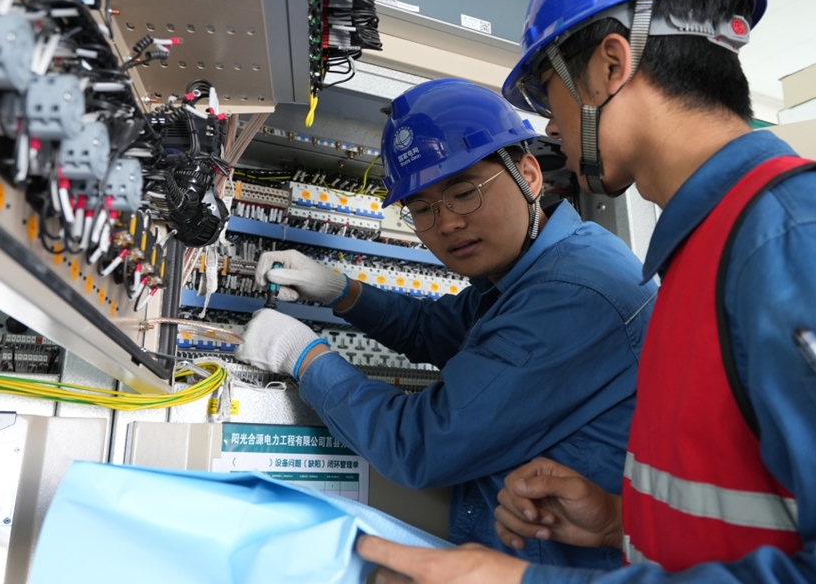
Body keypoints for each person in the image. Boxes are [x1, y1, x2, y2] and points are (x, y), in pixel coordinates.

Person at [357, 0, 816, 583]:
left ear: (610, 65)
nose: (551, 126)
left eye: (550, 95)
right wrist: (620, 521)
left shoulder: (800, 237)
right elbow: (771, 507)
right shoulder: (711, 249)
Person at [237, 78, 657, 569]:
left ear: (529, 175)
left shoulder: (571, 292)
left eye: (464, 192)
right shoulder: (532, 269)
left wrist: (304, 356)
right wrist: (341, 291)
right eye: (422, 208)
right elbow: (431, 329)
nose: (447, 222)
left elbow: (418, 445)